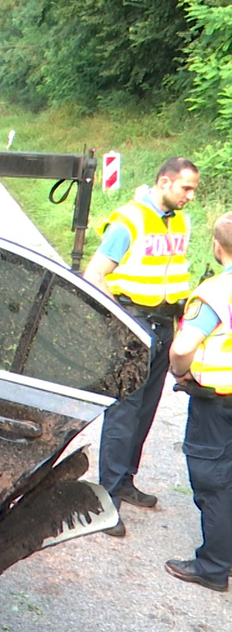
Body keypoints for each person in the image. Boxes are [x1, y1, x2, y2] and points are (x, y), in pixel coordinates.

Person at [82, 157, 200, 537]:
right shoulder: (128, 220)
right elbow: (94, 274)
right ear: (164, 182)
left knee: (146, 408)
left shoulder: (180, 221)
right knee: (124, 412)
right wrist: (120, 319)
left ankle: (125, 480)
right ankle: (106, 502)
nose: (191, 196)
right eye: (186, 188)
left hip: (165, 324)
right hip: (134, 323)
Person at [164, 212, 232, 592]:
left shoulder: (217, 292)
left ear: (217, 248)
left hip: (218, 403)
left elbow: (184, 347)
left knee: (214, 482)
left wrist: (180, 373)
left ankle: (213, 567)